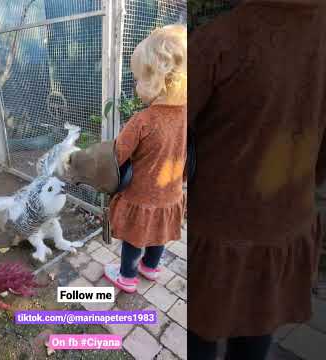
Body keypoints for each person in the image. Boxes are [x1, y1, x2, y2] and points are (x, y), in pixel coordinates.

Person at [188, 1, 326, 359]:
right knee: (255, 334)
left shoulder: (219, 43)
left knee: (199, 335)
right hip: (285, 223)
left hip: (220, 237)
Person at [63, 24, 187, 292]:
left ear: (156, 79)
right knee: (159, 233)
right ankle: (151, 268)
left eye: (139, 78)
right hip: (171, 193)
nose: (135, 83)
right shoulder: (188, 114)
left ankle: (127, 276)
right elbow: (190, 154)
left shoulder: (143, 120)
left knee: (135, 235)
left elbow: (114, 156)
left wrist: (78, 162)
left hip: (141, 196)